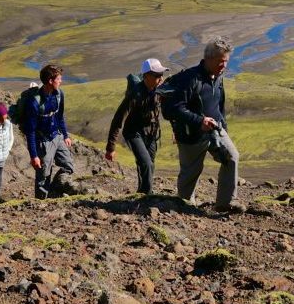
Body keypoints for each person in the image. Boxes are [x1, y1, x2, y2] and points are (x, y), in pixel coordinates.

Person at [167, 37, 245, 213]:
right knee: (191, 172)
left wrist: (223, 127)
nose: (224, 66)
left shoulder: (217, 77)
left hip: (216, 129)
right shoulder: (189, 78)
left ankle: (225, 202)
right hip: (191, 133)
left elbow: (219, 104)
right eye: (220, 62)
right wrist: (199, 121)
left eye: (226, 62)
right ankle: (186, 207)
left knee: (231, 157)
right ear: (208, 58)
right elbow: (175, 108)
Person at [105, 58, 168, 194]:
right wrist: (110, 147)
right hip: (134, 133)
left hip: (151, 133)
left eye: (161, 74)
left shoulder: (160, 89)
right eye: (157, 75)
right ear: (146, 76)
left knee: (150, 166)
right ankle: (147, 196)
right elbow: (118, 120)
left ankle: (142, 193)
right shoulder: (135, 94)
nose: (161, 78)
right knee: (146, 164)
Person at [25, 64, 76, 199]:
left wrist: (65, 135)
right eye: (58, 79)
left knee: (69, 166)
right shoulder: (34, 103)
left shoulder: (59, 95)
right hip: (43, 142)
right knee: (43, 175)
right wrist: (34, 155)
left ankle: (54, 188)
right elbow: (30, 131)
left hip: (57, 137)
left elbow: (59, 117)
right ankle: (40, 204)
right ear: (50, 81)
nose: (61, 81)